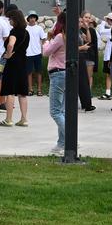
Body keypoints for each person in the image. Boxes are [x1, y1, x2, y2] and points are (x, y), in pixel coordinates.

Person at [0, 8, 30, 127]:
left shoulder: (14, 32)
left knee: (10, 91)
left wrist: (8, 54)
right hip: (23, 63)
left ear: (14, 20)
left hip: (12, 63)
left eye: (10, 19)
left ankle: (8, 119)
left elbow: (11, 44)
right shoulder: (26, 33)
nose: (9, 21)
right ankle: (24, 119)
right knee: (22, 92)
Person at [43, 12, 67, 155]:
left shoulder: (59, 37)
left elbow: (46, 52)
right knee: (62, 111)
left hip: (57, 73)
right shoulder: (71, 36)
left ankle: (70, 138)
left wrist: (47, 40)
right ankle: (61, 143)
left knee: (55, 111)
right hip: (66, 73)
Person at [25, 11, 46, 96]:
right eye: (31, 17)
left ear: (36, 19)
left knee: (39, 72)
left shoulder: (39, 28)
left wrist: (42, 48)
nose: (32, 19)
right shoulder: (25, 28)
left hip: (37, 53)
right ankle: (30, 89)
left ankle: (39, 90)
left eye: (34, 17)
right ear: (28, 19)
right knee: (29, 72)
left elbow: (44, 38)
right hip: (28, 53)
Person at [96, 11, 112, 99]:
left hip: (110, 55)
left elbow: (101, 31)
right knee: (109, 74)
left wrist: (102, 23)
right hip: (109, 54)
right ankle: (108, 92)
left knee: (110, 74)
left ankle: (109, 92)